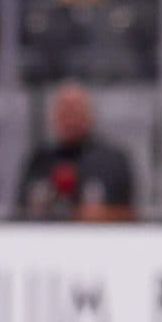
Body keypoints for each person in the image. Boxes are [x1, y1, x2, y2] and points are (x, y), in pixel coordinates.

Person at [18, 82, 135, 221]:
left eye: (75, 111)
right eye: (65, 112)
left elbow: (131, 214)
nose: (70, 119)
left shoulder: (114, 161)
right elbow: (20, 210)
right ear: (54, 117)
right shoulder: (39, 161)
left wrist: (102, 215)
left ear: (90, 115)